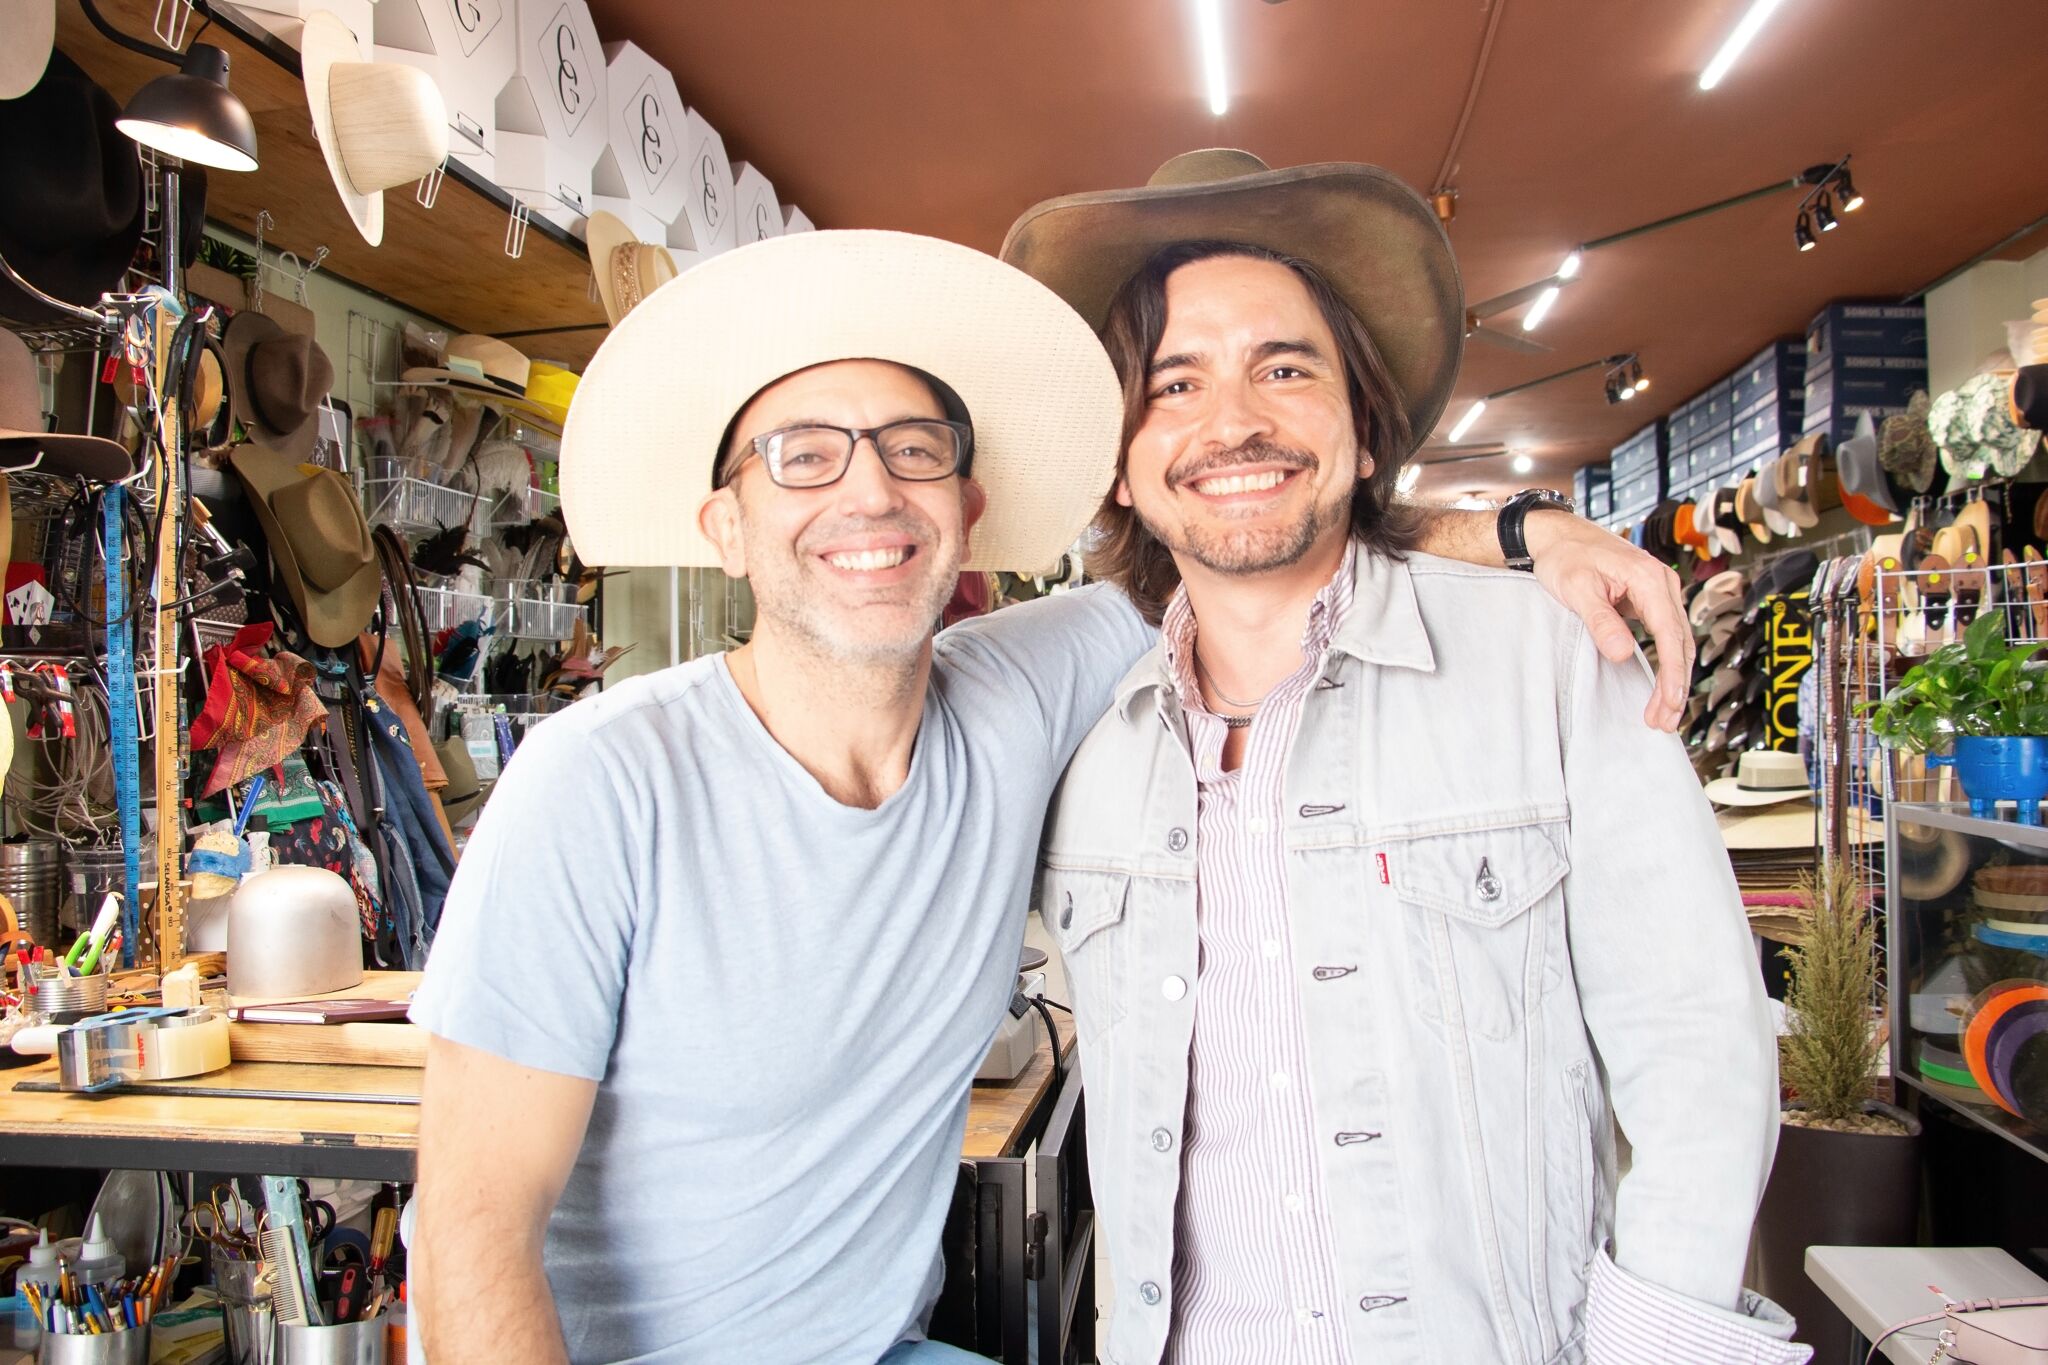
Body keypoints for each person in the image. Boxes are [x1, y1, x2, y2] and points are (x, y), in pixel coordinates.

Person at [407, 228, 1696, 1365]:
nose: (866, 492)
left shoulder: (1016, 697)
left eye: (909, 451)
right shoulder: (601, 781)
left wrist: (1529, 530)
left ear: (964, 514)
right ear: (724, 527)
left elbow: (1248, 520)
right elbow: (465, 1231)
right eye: (800, 457)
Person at [1011, 153, 1803, 1365]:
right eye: (1173, 384)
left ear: (1363, 429)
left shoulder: (1547, 662)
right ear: (1118, 464)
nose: (1233, 420)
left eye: (1284, 368)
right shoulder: (1077, 733)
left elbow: (1696, 1052)